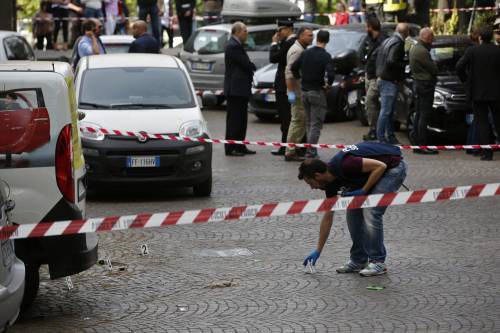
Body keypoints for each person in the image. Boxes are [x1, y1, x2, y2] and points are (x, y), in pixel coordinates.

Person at [299, 141, 407, 276]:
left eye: (310, 183)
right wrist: (318, 250)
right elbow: (328, 216)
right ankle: (359, 260)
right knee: (353, 213)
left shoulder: (345, 165)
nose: (312, 187)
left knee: (371, 211)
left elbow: (381, 166)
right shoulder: (330, 184)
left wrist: (364, 190)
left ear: (318, 175)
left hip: (392, 169)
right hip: (372, 173)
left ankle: (378, 262)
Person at [456, 25, 500, 161]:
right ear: (491, 37)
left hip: (478, 92)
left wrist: (466, 81)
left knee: (482, 122)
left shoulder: (472, 51)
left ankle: (487, 153)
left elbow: (459, 66)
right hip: (497, 92)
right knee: (498, 121)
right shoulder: (498, 50)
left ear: (480, 38)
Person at [291, 30, 335, 159]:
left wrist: (300, 79)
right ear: (327, 40)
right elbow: (331, 74)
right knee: (316, 124)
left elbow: (294, 67)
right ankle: (310, 152)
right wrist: (328, 85)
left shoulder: (306, 53)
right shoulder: (325, 55)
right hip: (317, 92)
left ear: (317, 39)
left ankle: (309, 150)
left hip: (304, 92)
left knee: (309, 123)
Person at [223, 22, 257, 157]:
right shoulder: (233, 46)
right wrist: (252, 66)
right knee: (235, 120)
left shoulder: (236, 45)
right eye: (245, 31)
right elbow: (246, 64)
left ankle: (240, 145)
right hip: (235, 89)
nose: (246, 34)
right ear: (237, 32)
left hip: (240, 89)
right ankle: (231, 148)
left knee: (242, 119)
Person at [375, 23, 409, 144]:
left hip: (382, 78)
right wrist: (405, 64)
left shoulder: (387, 41)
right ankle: (381, 138)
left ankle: (390, 136)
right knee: (386, 111)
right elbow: (391, 61)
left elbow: (378, 57)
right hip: (389, 81)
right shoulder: (398, 43)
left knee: (388, 111)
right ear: (405, 33)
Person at [284, 27, 314, 162]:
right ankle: (290, 151)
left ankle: (293, 149)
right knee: (297, 121)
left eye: (312, 35)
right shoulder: (297, 51)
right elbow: (289, 74)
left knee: (300, 121)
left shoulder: (300, 49)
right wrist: (291, 94)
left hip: (298, 92)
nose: (311, 38)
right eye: (309, 35)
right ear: (300, 36)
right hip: (296, 93)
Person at [409, 28, 439, 154]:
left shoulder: (415, 48)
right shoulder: (422, 51)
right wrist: (435, 64)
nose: (433, 40)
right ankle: (422, 144)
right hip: (425, 85)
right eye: (432, 37)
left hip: (419, 83)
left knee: (419, 114)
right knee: (424, 115)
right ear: (426, 38)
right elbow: (433, 69)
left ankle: (417, 142)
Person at [269, 20, 296, 156]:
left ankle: (286, 146)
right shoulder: (291, 42)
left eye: (281, 30)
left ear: (288, 29)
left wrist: (274, 43)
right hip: (288, 86)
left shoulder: (289, 43)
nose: (278, 33)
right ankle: (288, 145)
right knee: (290, 116)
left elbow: (273, 58)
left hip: (285, 86)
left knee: (286, 117)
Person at [362, 16, 386, 141]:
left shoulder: (382, 41)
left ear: (371, 27)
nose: (366, 29)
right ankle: (375, 129)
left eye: (367, 26)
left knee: (370, 101)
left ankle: (375, 130)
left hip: (376, 77)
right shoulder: (369, 39)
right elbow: (363, 55)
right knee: (372, 104)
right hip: (369, 75)